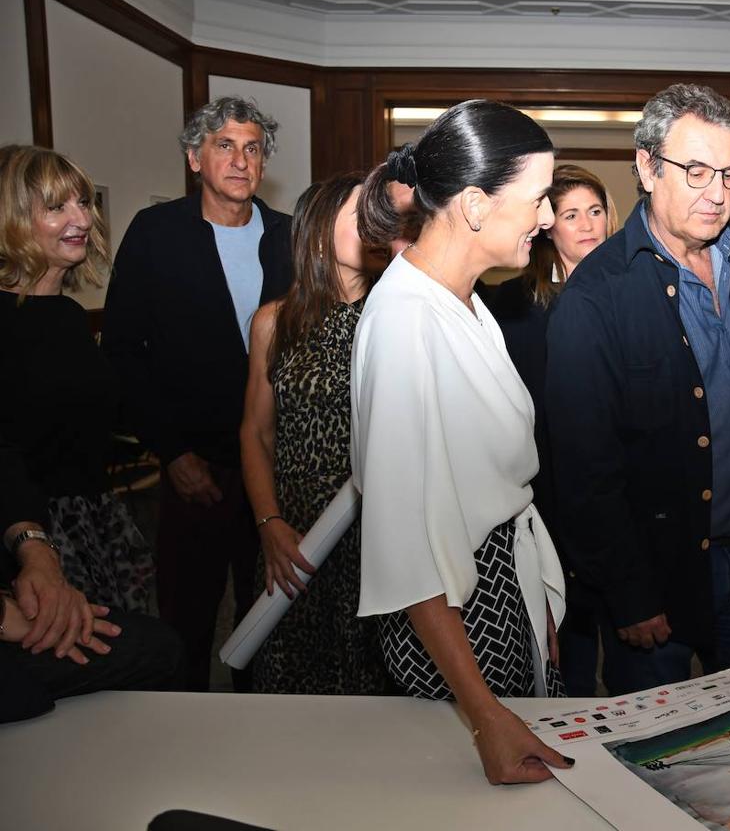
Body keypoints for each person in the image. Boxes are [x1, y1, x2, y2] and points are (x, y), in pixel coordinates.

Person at [545, 84, 730, 695]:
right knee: (659, 765)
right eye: (695, 171)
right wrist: (630, 593)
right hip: (656, 581)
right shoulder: (597, 297)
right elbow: (585, 469)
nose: (716, 194)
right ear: (645, 166)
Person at [351, 100, 572, 785]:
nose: (547, 218)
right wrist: (482, 715)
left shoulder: (464, 300)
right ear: (475, 204)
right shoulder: (406, 323)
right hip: (458, 623)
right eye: (538, 199)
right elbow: (410, 548)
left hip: (501, 594)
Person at [103, 97, 294, 691]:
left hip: (277, 469)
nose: (241, 160)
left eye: (253, 148)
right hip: (194, 468)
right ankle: (181, 742)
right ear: (195, 157)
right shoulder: (156, 233)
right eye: (224, 146)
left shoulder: (290, 238)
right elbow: (123, 352)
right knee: (186, 620)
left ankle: (259, 740)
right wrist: (171, 451)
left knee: (269, 617)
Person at [0, 146, 182, 722]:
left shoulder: (68, 317)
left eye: (83, 202)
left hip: (97, 523)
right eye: (56, 207)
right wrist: (34, 549)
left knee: (118, 697)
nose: (82, 218)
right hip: (31, 536)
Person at [240, 174, 393, 695]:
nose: (375, 228)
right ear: (318, 228)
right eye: (360, 216)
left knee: (372, 690)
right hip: (295, 536)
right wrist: (269, 523)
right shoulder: (274, 321)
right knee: (293, 685)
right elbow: (256, 433)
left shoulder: (394, 317)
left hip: (375, 538)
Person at [489, 163, 617, 696]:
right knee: (569, 651)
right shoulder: (514, 306)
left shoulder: (635, 295)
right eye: (571, 214)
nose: (587, 225)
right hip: (547, 499)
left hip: (622, 494)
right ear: (547, 225)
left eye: (595, 211)